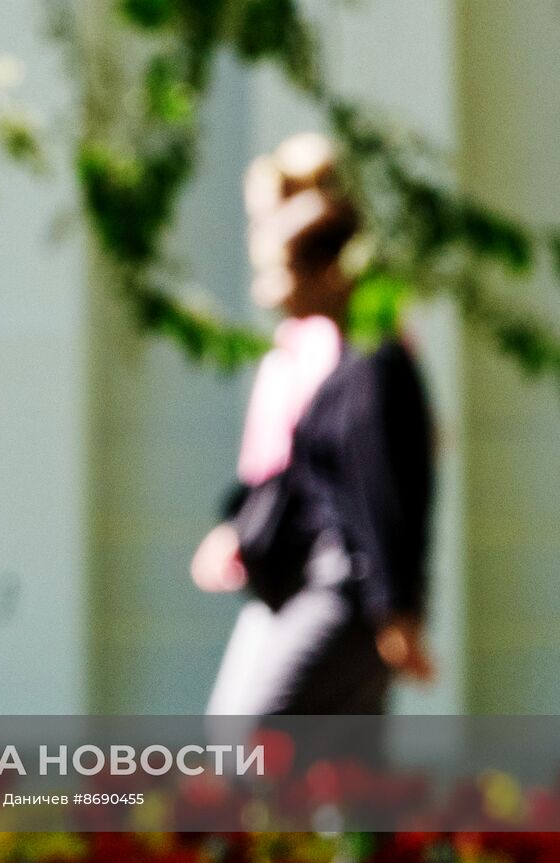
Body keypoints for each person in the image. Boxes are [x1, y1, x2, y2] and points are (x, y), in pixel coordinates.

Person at [195, 132, 434, 718]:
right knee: (337, 756)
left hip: (329, 567)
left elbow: (377, 480)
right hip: (302, 560)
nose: (267, 288)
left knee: (252, 734)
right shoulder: (332, 348)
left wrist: (396, 605)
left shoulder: (362, 356)